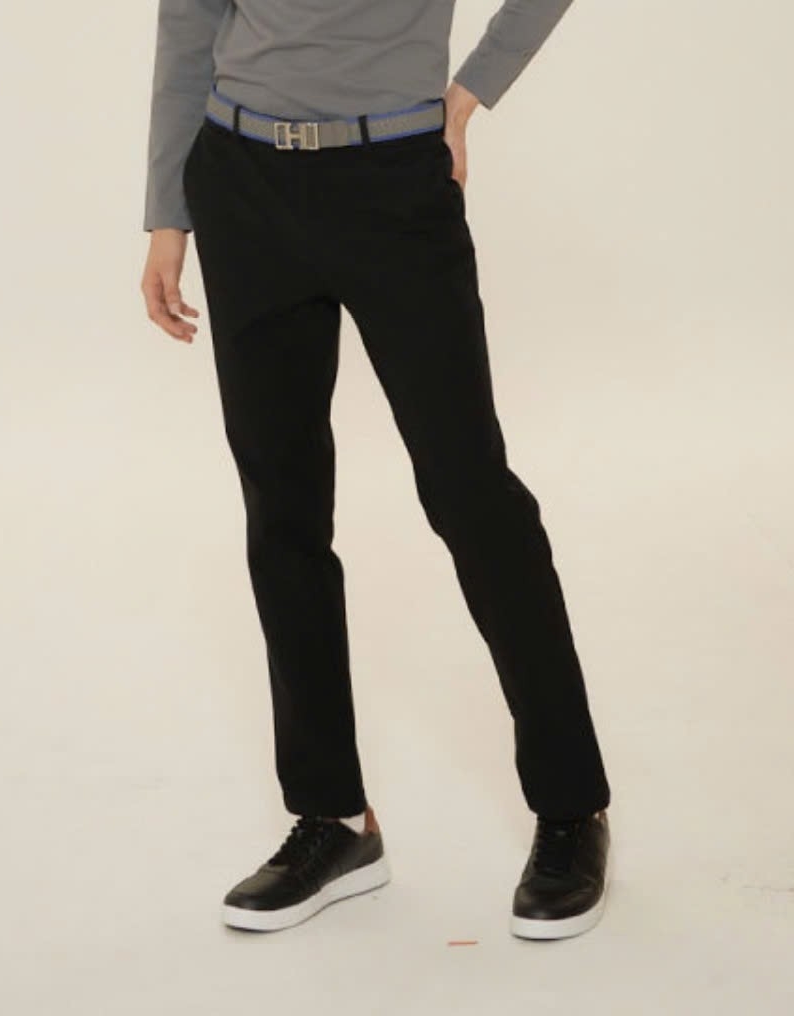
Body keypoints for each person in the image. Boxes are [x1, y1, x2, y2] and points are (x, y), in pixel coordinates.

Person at [139, 0, 612, 941]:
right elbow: (188, 22)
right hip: (241, 181)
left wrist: (471, 93)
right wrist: (167, 215)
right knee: (282, 509)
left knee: (470, 493)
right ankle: (334, 819)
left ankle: (571, 806)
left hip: (393, 180)